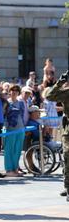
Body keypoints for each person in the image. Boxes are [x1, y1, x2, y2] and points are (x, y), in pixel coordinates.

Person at [46, 70, 69, 201]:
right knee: (67, 157)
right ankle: (67, 187)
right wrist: (61, 81)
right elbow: (49, 95)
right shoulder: (67, 92)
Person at [4, 85, 25, 177]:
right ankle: (9, 170)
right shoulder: (6, 102)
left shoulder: (21, 103)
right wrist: (4, 128)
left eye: (16, 90)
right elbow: (4, 116)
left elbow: (24, 115)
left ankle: (15, 168)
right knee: (9, 150)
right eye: (12, 90)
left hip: (20, 129)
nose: (14, 92)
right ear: (9, 91)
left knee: (17, 150)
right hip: (10, 129)